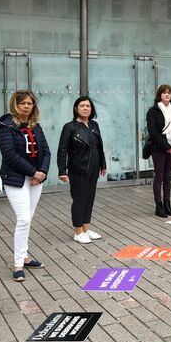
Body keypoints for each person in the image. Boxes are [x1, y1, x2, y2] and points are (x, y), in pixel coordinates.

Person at [0, 90, 50, 282]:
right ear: (15, 105)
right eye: (23, 103)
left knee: (28, 219)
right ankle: (18, 263)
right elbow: (10, 155)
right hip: (16, 179)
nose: (26, 106)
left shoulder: (36, 126)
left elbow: (46, 151)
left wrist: (42, 173)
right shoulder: (7, 126)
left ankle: (25, 256)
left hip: (36, 181)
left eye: (30, 103)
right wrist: (33, 172)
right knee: (23, 219)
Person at [57, 96, 107, 244]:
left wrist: (102, 164)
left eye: (88, 106)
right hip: (78, 168)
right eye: (82, 106)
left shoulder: (94, 125)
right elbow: (62, 150)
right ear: (76, 109)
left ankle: (86, 228)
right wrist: (62, 170)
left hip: (94, 167)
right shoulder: (70, 127)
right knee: (80, 199)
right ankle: (78, 231)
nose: (86, 108)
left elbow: (99, 147)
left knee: (89, 198)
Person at [146, 84, 171, 218]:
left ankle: (167, 204)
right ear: (159, 95)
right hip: (159, 148)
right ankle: (159, 205)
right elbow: (153, 132)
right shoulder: (153, 111)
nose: (167, 95)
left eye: (169, 93)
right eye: (164, 93)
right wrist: (166, 147)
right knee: (159, 176)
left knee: (168, 176)